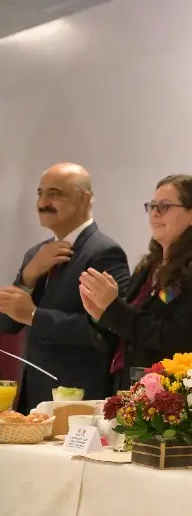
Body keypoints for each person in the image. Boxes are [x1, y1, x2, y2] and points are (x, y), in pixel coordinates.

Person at [79, 175, 192, 391]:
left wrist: (115, 309)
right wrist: (99, 316)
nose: (155, 213)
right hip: (124, 387)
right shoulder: (146, 268)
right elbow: (122, 336)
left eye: (165, 206)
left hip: (169, 396)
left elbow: (181, 339)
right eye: (152, 206)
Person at [0, 163, 130, 411]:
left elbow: (105, 331)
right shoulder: (35, 255)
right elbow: (7, 324)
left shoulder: (104, 253)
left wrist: (34, 315)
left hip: (79, 396)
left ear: (85, 199)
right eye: (40, 193)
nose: (43, 202)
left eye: (55, 193)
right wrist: (27, 278)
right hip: (34, 393)